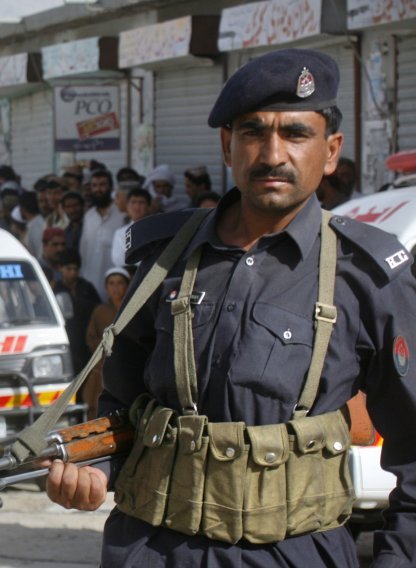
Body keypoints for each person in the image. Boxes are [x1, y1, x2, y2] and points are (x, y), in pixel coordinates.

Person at [45, 48, 416, 566]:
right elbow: (123, 398)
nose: (271, 154)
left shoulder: (365, 275)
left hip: (292, 553)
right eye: (253, 132)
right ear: (227, 145)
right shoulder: (165, 258)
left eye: (295, 133)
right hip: (152, 546)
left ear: (331, 151)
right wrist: (97, 469)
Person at [83, 268, 130, 421]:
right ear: (106, 287)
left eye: (120, 283)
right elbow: (91, 338)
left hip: (128, 368)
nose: (115, 287)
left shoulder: (133, 309)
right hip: (103, 369)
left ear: (127, 285)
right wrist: (107, 348)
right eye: (111, 283)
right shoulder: (100, 311)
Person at [79, 170, 124, 299]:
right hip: (90, 286)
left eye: (102, 185)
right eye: (94, 185)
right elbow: (83, 252)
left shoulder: (122, 215)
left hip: (114, 289)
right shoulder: (89, 216)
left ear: (111, 187)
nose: (98, 189)